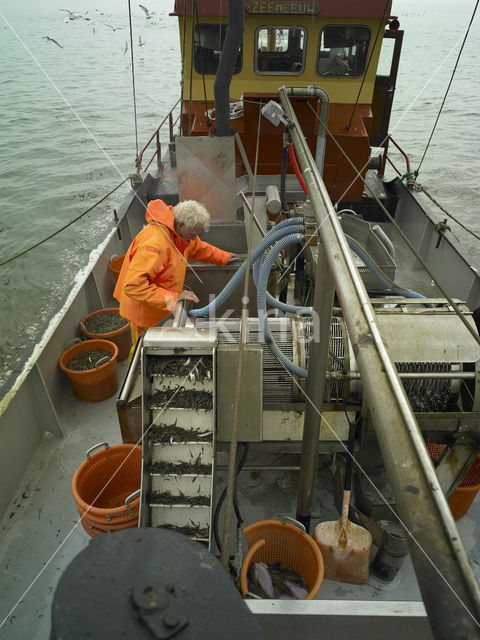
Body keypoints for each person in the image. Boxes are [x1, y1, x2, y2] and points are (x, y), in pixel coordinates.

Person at [114, 199, 237, 346]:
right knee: (143, 350)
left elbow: (198, 247)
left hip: (162, 306)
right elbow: (134, 286)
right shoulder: (154, 244)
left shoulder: (179, 233)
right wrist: (176, 295)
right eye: (192, 234)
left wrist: (223, 257)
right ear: (181, 224)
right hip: (144, 315)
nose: (193, 238)